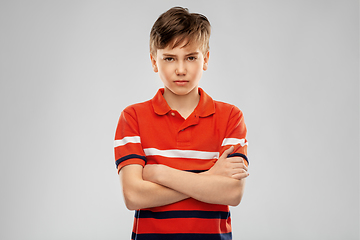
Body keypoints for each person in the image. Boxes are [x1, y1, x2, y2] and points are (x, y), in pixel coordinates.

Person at [114, 6, 249, 240]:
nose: (180, 69)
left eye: (190, 57)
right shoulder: (133, 117)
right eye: (169, 58)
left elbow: (232, 192)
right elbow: (134, 196)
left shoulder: (230, 117)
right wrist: (207, 178)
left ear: (205, 59)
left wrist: (160, 173)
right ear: (154, 61)